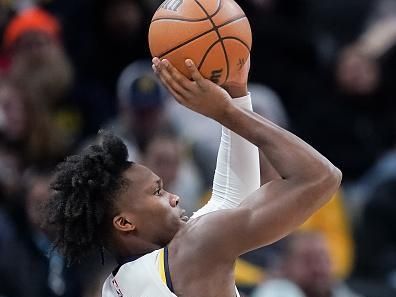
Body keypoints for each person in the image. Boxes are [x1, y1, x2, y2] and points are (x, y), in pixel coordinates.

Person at [44, 56, 341, 297]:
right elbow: (321, 177)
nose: (174, 196)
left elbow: (231, 197)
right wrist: (226, 111)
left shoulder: (113, 287)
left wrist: (236, 92)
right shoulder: (195, 248)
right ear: (124, 222)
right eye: (157, 192)